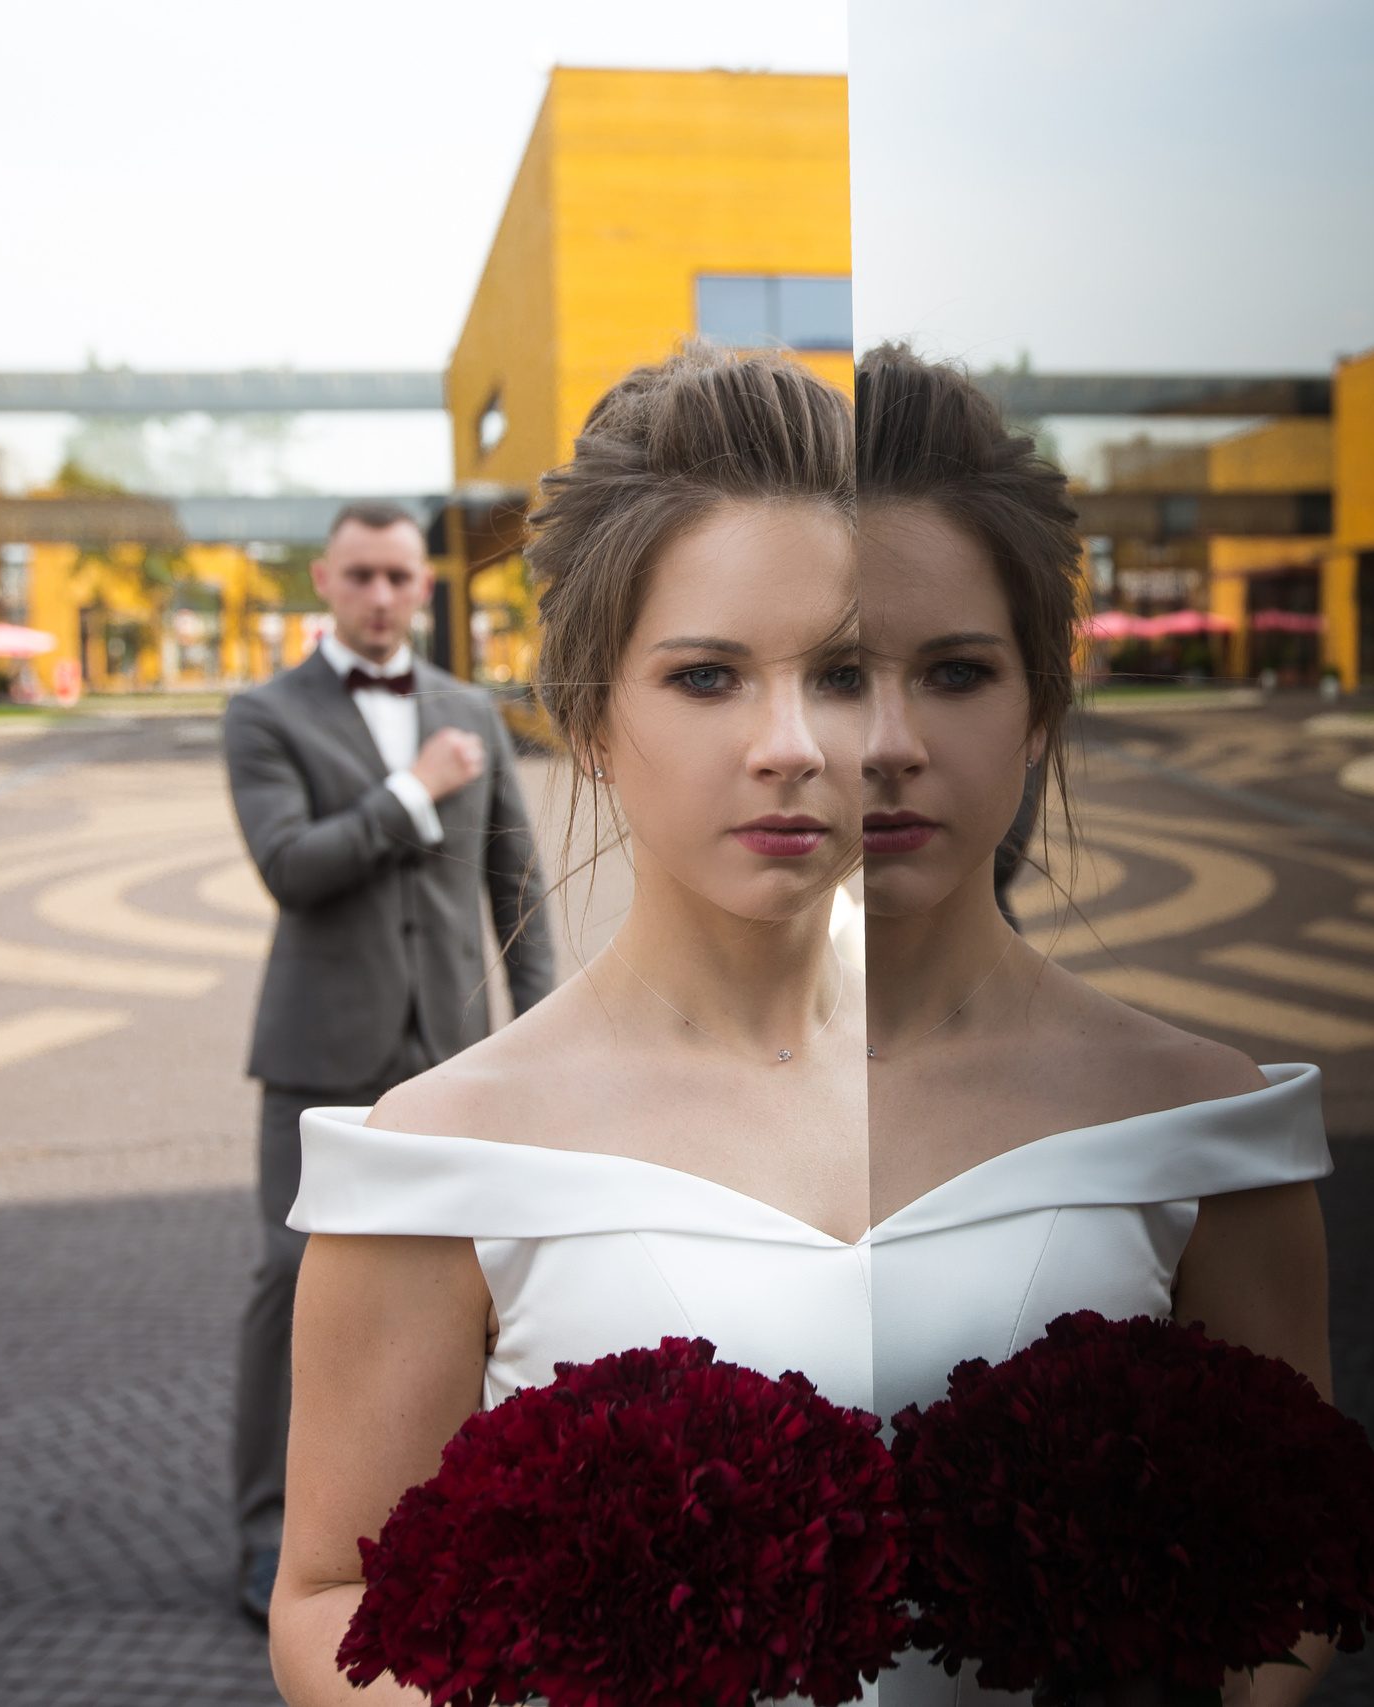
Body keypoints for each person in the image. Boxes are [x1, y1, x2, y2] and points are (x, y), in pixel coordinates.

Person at [267, 347, 866, 1704]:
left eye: (843, 670)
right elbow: (332, 1598)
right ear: (589, 714)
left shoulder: (1073, 1092)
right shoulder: (437, 1159)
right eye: (706, 675)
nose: (791, 742)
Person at [856, 344, 1337, 1707]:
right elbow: (344, 1590)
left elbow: (1297, 1567)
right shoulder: (472, 1140)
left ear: (1040, 710)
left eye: (958, 671)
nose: (886, 739)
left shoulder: (1205, 1126)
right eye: (827, 671)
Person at [219, 501, 552, 1626]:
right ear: (324, 580)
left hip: (454, 1055)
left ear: (423, 587)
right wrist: (413, 790)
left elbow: (519, 891)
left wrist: (539, 1038)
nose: (378, 595)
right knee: (288, 1281)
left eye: (397, 577)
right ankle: (266, 1535)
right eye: (358, 574)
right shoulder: (264, 714)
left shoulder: (468, 709)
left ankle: (451, 1522)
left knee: (472, 1291)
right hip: (320, 1053)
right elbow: (290, 865)